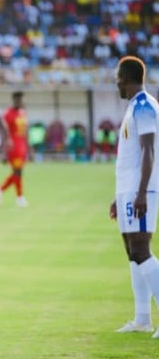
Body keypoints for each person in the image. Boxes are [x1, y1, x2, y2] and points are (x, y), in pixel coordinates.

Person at [109, 55, 159, 339]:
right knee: (133, 253)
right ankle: (142, 319)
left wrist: (141, 192)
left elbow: (148, 151)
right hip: (128, 190)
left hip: (142, 190)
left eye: (118, 78)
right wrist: (119, 196)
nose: (116, 83)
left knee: (141, 250)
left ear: (125, 79)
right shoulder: (133, 107)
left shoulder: (144, 107)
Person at [0, 90, 29, 207]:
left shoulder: (22, 113)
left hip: (22, 146)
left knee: (18, 172)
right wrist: (4, 150)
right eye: (17, 99)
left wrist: (29, 148)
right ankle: (19, 197)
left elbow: (25, 132)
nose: (20, 101)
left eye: (21, 99)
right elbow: (3, 133)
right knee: (17, 172)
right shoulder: (7, 114)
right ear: (14, 100)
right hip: (13, 147)